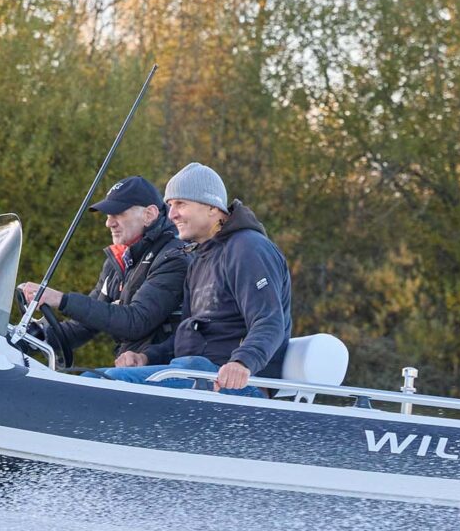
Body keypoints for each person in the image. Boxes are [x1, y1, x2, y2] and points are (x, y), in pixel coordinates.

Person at [104, 162, 291, 397]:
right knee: (96, 380)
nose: (171, 214)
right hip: (194, 373)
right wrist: (147, 356)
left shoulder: (248, 248)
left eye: (180, 203)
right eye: (170, 205)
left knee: (108, 384)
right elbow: (187, 335)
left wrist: (242, 363)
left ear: (212, 207)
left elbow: (269, 321)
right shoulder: (200, 259)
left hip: (236, 384)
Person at [18, 175, 188, 363]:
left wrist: (62, 300)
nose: (109, 223)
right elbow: (84, 326)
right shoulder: (118, 262)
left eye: (118, 213)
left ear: (149, 214)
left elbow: (135, 321)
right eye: (108, 215)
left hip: (157, 372)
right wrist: (32, 339)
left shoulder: (173, 257)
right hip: (127, 370)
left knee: (83, 385)